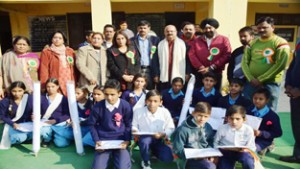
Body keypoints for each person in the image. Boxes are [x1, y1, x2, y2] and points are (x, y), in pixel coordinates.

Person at [241, 16, 290, 112]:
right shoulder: (252, 43)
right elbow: (244, 62)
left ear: (273, 27)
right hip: (252, 83)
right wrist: (251, 78)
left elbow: (281, 64)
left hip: (271, 83)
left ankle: (268, 127)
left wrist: (261, 79)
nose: (261, 30)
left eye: (264, 27)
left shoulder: (280, 42)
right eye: (259, 28)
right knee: (248, 108)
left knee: (270, 110)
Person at [87, 79, 132, 169]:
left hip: (120, 140)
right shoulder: (98, 106)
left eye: (112, 94)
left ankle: (118, 156)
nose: (109, 98)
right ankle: (108, 156)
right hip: (104, 140)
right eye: (106, 94)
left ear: (119, 94)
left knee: (122, 167)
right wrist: (96, 140)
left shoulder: (125, 105)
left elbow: (129, 124)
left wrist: (127, 140)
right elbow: (91, 124)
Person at [132, 90, 175, 169]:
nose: (152, 104)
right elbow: (133, 125)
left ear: (160, 102)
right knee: (145, 141)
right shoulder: (138, 111)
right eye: (150, 101)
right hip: (143, 139)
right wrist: (134, 130)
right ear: (145, 101)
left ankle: (153, 152)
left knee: (168, 158)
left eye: (155, 101)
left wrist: (163, 134)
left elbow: (171, 127)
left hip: (159, 138)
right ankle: (145, 161)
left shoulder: (164, 112)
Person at [188, 18, 231, 89]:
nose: (208, 30)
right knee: (198, 94)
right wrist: (201, 67)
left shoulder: (224, 39)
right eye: (205, 28)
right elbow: (192, 55)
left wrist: (212, 67)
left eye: (210, 28)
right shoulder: (197, 40)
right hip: (200, 72)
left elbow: (227, 55)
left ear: (215, 28)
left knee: (215, 95)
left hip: (216, 72)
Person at [173, 102, 216, 169]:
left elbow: (211, 141)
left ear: (209, 116)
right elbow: (177, 149)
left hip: (204, 156)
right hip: (187, 159)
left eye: (205, 116)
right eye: (200, 115)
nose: (202, 119)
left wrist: (209, 153)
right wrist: (194, 156)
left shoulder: (208, 127)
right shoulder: (183, 129)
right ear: (193, 113)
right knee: (209, 167)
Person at [279, 41, 300, 163]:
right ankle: (298, 155)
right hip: (294, 94)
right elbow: (293, 65)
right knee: (297, 125)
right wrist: (288, 85)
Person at [39, 30, 77, 96]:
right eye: (55, 38)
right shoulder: (47, 52)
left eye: (60, 38)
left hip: (69, 78)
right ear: (51, 39)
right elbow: (44, 69)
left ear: (63, 40)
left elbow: (75, 67)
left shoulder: (70, 51)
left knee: (70, 98)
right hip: (55, 78)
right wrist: (44, 84)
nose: (57, 40)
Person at [247, 88, 282, 154]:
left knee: (250, 150)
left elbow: (278, 133)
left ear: (267, 100)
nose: (257, 101)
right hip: (246, 137)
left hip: (262, 140)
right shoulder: (247, 110)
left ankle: (262, 150)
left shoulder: (273, 116)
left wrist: (261, 133)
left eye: (261, 99)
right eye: (255, 98)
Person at [0, 81, 33, 149]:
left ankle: (27, 138)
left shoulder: (30, 99)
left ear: (24, 90)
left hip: (28, 125)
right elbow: (2, 115)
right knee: (19, 138)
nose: (17, 93)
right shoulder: (5, 101)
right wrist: (12, 123)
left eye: (20, 91)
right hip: (13, 125)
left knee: (40, 133)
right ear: (10, 91)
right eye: (14, 91)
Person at [158, 25, 191, 91]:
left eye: (172, 31)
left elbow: (188, 60)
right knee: (165, 94)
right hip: (164, 74)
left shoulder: (183, 44)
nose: (169, 33)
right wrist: (156, 74)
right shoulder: (159, 44)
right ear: (164, 33)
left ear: (176, 32)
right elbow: (155, 60)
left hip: (179, 75)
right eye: (167, 31)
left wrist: (187, 73)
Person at [40, 78, 70, 148]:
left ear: (57, 86)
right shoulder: (41, 97)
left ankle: (56, 135)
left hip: (59, 123)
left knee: (61, 144)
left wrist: (56, 120)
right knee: (43, 131)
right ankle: (47, 139)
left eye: (53, 86)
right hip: (46, 122)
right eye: (48, 87)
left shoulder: (63, 99)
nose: (50, 89)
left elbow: (67, 114)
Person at [131, 20, 160, 90]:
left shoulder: (155, 40)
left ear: (149, 29)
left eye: (145, 28)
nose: (142, 30)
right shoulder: (132, 41)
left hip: (150, 70)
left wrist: (157, 73)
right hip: (137, 69)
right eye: (140, 28)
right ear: (137, 29)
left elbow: (157, 57)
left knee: (150, 90)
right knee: (137, 89)